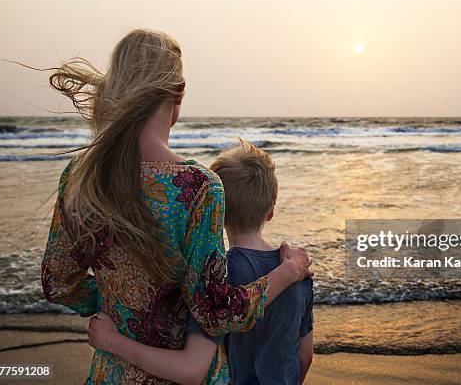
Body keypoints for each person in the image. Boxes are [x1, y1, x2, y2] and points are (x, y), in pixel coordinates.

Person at [41, 28, 312, 384]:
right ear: (178, 92)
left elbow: (57, 284)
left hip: (112, 372)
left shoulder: (79, 175)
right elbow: (214, 313)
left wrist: (120, 304)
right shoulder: (198, 187)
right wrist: (287, 273)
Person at [89, 140, 314, 385]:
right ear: (270, 212)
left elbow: (192, 367)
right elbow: (305, 357)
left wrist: (112, 340)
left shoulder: (216, 277)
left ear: (217, 211)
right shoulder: (299, 274)